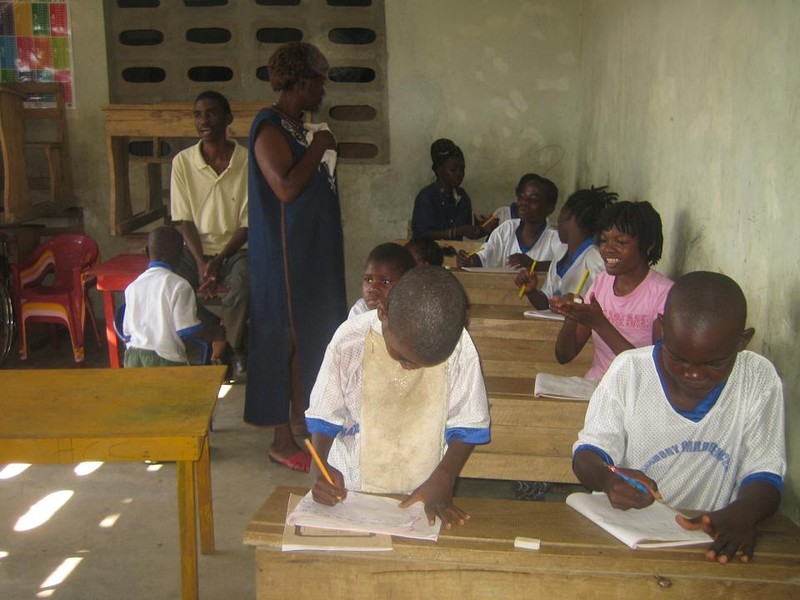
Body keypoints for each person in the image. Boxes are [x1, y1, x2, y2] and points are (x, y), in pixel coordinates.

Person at [572, 272, 786, 563]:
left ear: (742, 341)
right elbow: (587, 454)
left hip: (712, 537)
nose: (694, 374)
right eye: (679, 358)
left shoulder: (757, 378)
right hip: (632, 537)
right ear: (661, 328)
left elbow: (765, 473)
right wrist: (607, 478)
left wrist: (744, 513)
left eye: (714, 363)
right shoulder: (630, 372)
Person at [306, 267, 491, 528]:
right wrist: (319, 466)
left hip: (425, 486)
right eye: (403, 357)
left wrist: (444, 478)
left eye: (423, 364)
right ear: (383, 314)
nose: (409, 368)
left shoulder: (461, 349)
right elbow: (324, 415)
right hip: (350, 488)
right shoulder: (350, 340)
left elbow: (468, 423)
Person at [245, 42, 348, 472]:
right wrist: (319, 144)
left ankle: (302, 419)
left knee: (308, 338)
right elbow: (285, 187)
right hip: (284, 256)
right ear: (301, 82)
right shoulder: (269, 128)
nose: (321, 92)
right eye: (318, 83)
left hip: (310, 252)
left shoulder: (293, 126)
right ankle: (280, 439)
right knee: (284, 340)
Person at [170, 90, 249, 379]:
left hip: (236, 249)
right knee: (171, 284)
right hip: (195, 250)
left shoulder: (247, 161)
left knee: (243, 285)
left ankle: (232, 347)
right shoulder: (183, 162)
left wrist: (219, 260)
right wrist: (202, 262)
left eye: (212, 113)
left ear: (228, 119)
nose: (204, 121)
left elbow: (247, 225)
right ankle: (221, 333)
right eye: (198, 114)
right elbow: (185, 220)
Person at [552, 200, 673, 381]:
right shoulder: (601, 283)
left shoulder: (664, 294)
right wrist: (571, 316)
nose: (608, 249)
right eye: (603, 240)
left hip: (635, 396)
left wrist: (600, 324)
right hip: (597, 388)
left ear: (649, 246)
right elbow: (564, 355)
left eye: (621, 242)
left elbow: (654, 374)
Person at [122, 227, 225, 367]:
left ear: (147, 251)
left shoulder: (133, 286)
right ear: (181, 255)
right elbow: (188, 330)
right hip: (164, 360)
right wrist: (216, 332)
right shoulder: (179, 286)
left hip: (132, 357)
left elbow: (127, 334)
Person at [517, 186, 617, 309]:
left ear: (567, 214)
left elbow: (608, 306)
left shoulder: (595, 258)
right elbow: (546, 304)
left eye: (560, 213)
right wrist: (531, 291)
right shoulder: (561, 252)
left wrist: (579, 304)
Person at [456, 173, 563, 270]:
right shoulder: (506, 229)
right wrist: (469, 260)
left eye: (533, 200)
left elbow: (567, 266)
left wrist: (535, 265)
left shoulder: (556, 237)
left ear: (550, 208)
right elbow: (486, 255)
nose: (524, 203)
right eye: (522, 197)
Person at [411, 139, 491, 241]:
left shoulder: (462, 197)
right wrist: (456, 232)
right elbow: (422, 234)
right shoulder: (426, 197)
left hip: (455, 254)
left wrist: (486, 227)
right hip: (429, 255)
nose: (459, 174)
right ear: (439, 170)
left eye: (462, 169)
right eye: (453, 170)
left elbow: (471, 229)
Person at [348, 243, 416, 319]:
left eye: (385, 282)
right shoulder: (360, 311)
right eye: (369, 280)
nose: (373, 288)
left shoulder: (413, 314)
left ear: (407, 286)